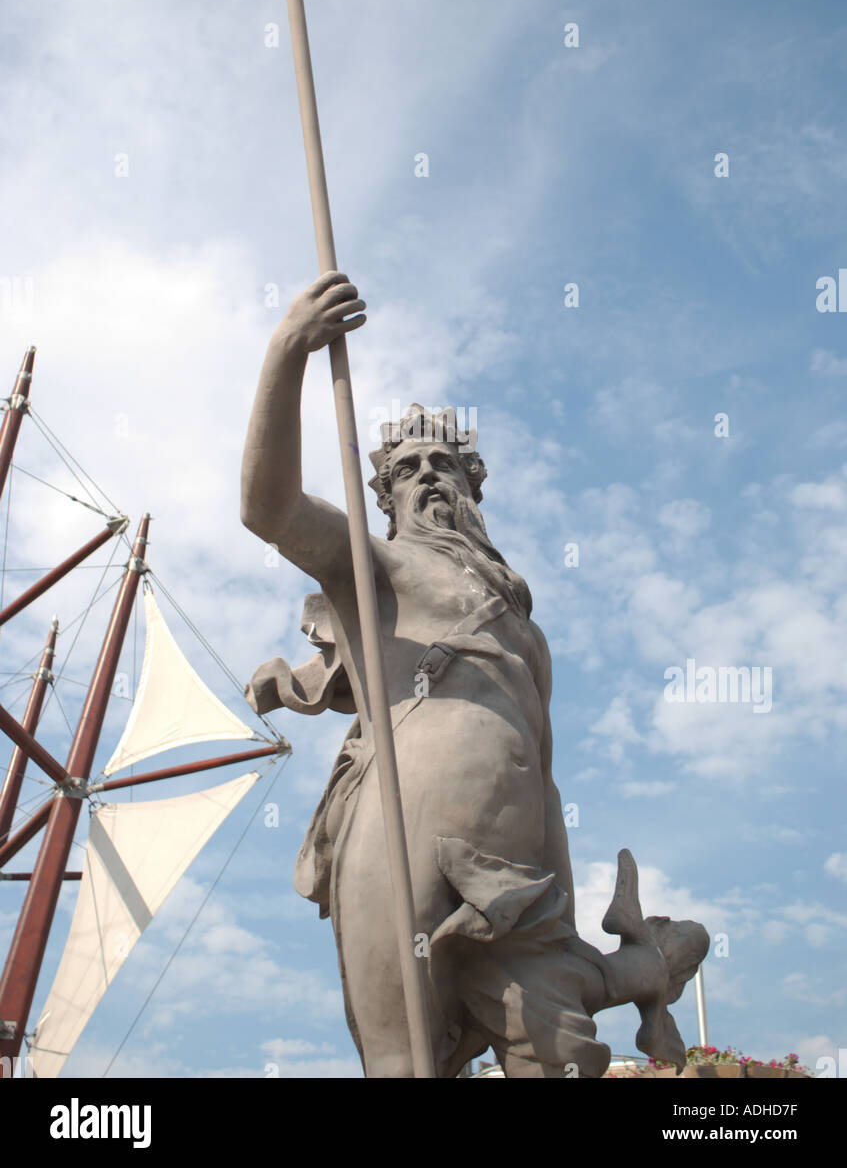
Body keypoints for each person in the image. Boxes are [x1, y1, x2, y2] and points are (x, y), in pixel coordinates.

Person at [241, 272, 707, 1078]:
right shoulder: (375, 563)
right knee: (404, 1064)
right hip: (402, 831)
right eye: (410, 469)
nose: (429, 476)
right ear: (385, 499)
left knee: (562, 1061)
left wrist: (563, 896)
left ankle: (641, 969)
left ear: (471, 487)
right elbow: (267, 508)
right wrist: (288, 351)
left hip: (522, 875)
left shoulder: (525, 626)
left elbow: (543, 776)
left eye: (445, 466)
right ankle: (643, 969)